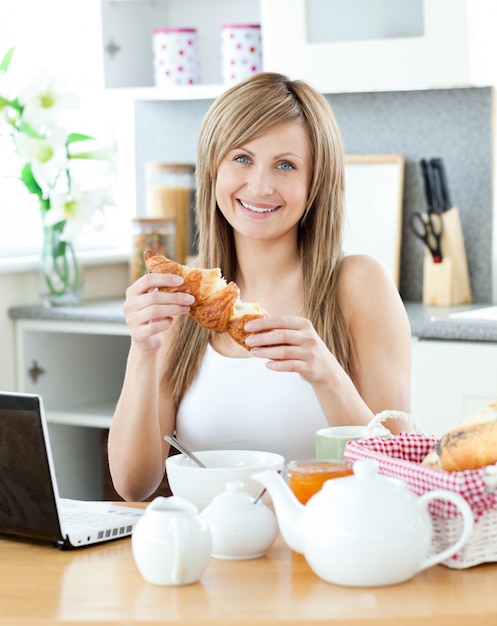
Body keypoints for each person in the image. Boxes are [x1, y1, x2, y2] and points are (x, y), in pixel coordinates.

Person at [108, 72, 412, 502]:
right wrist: (143, 351)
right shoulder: (185, 294)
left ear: (315, 183)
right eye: (242, 159)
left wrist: (327, 375)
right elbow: (132, 484)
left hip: (322, 554)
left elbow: (404, 472)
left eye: (285, 165)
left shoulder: (359, 285)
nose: (260, 186)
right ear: (213, 167)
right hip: (210, 556)